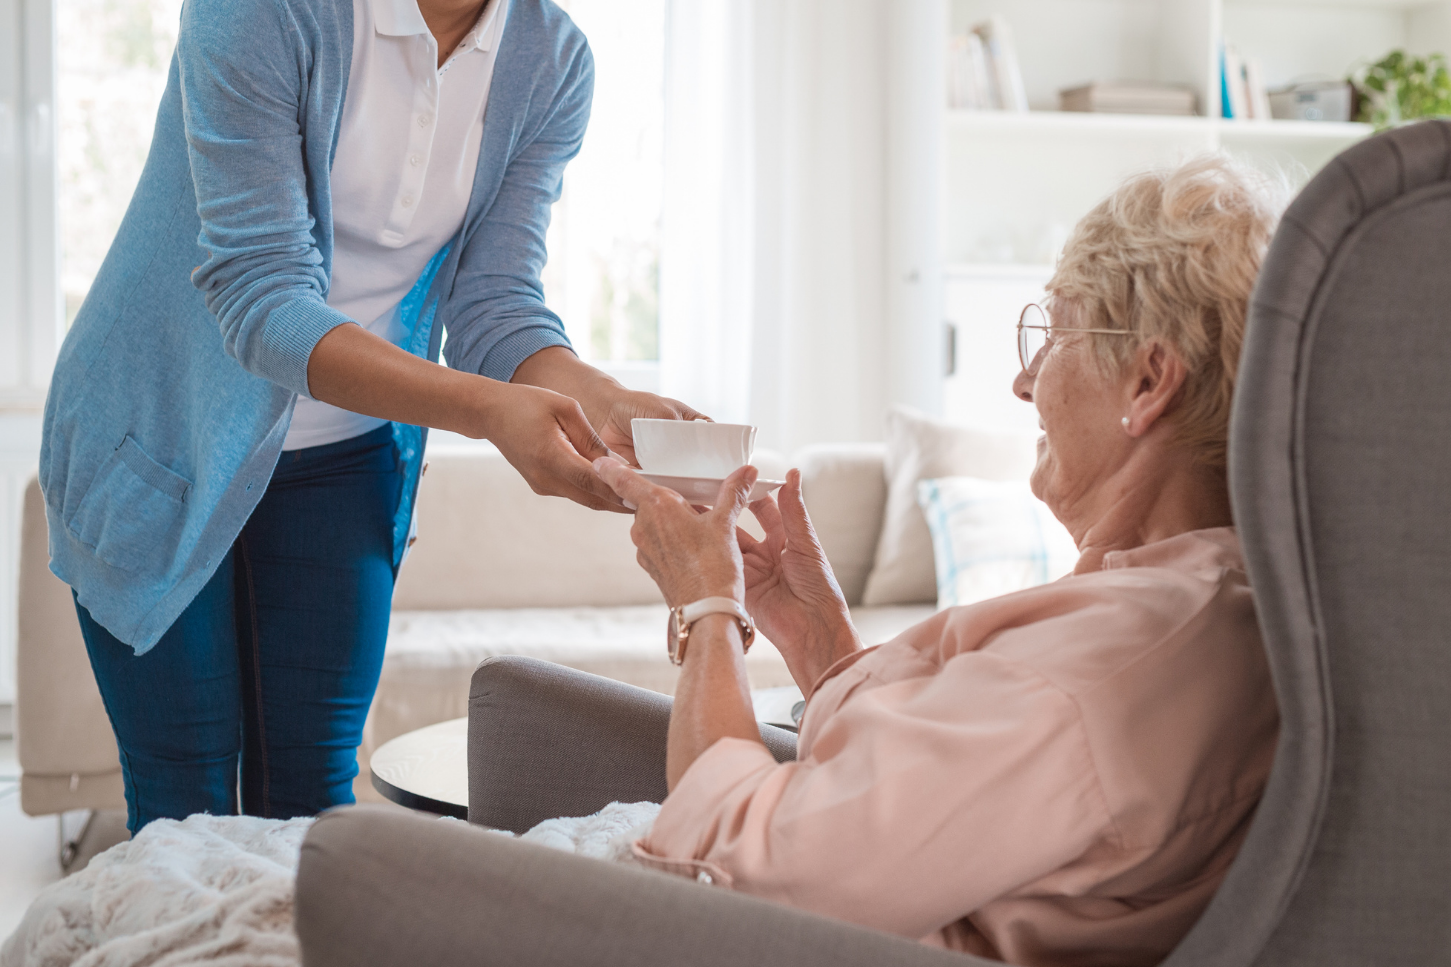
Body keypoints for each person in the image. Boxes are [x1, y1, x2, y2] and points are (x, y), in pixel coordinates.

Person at [591, 156, 1285, 967]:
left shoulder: (1096, 672)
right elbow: (949, 804)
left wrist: (709, 605)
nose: (1023, 381)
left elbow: (730, 878)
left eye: (1054, 332)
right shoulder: (1196, 603)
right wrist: (820, 642)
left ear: (1147, 379)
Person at [40, 0, 697, 834]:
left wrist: (598, 398)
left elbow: (494, 300)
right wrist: (489, 413)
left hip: (346, 452)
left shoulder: (550, 59)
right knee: (187, 806)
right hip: (157, 438)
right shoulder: (260, 14)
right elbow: (261, 295)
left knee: (314, 799)